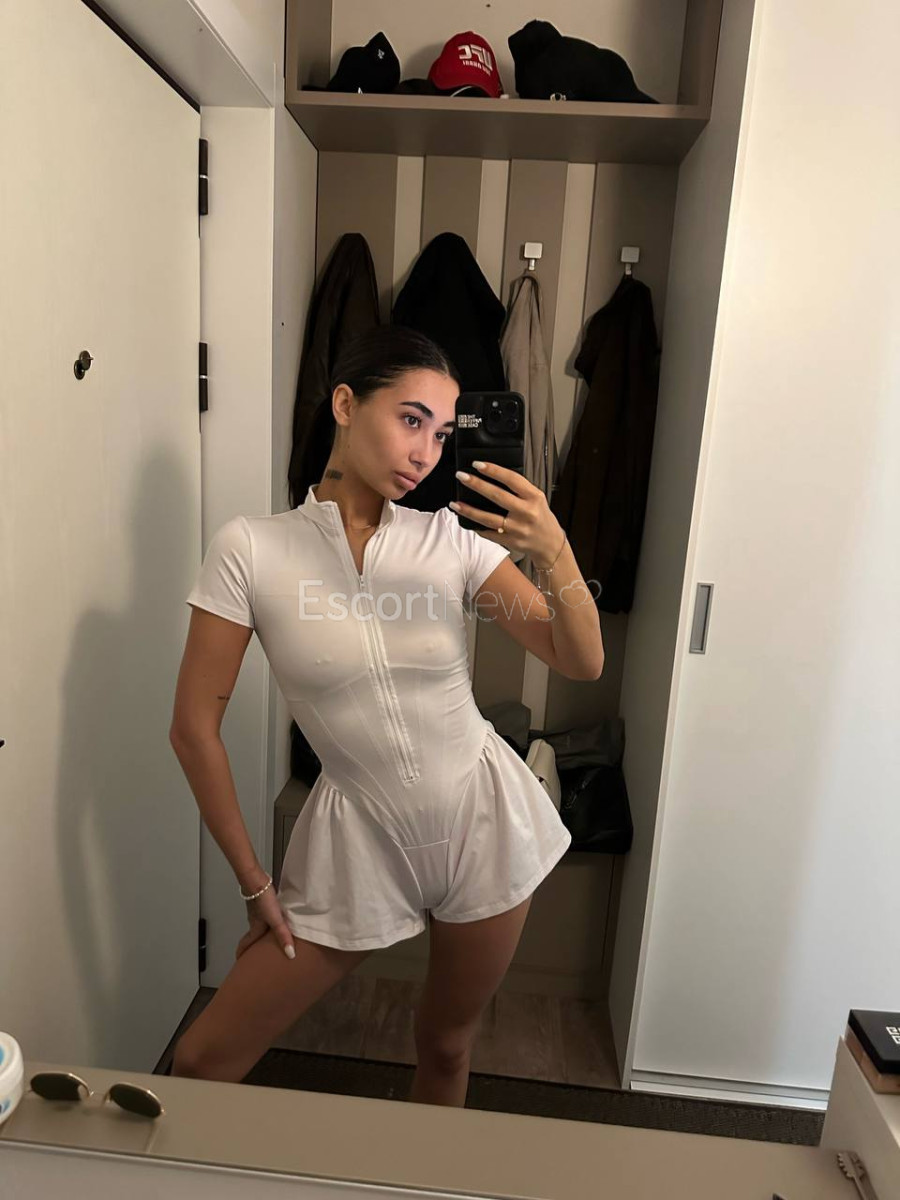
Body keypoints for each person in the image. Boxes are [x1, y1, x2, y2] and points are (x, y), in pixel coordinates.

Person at [168, 325, 604, 1106]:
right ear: (345, 404)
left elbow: (579, 659)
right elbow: (193, 729)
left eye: (440, 434)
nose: (425, 452)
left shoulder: (451, 542)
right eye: (410, 420)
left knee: (445, 1045)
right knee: (202, 1061)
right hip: (358, 841)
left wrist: (555, 550)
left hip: (484, 823)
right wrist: (254, 884)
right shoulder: (251, 550)